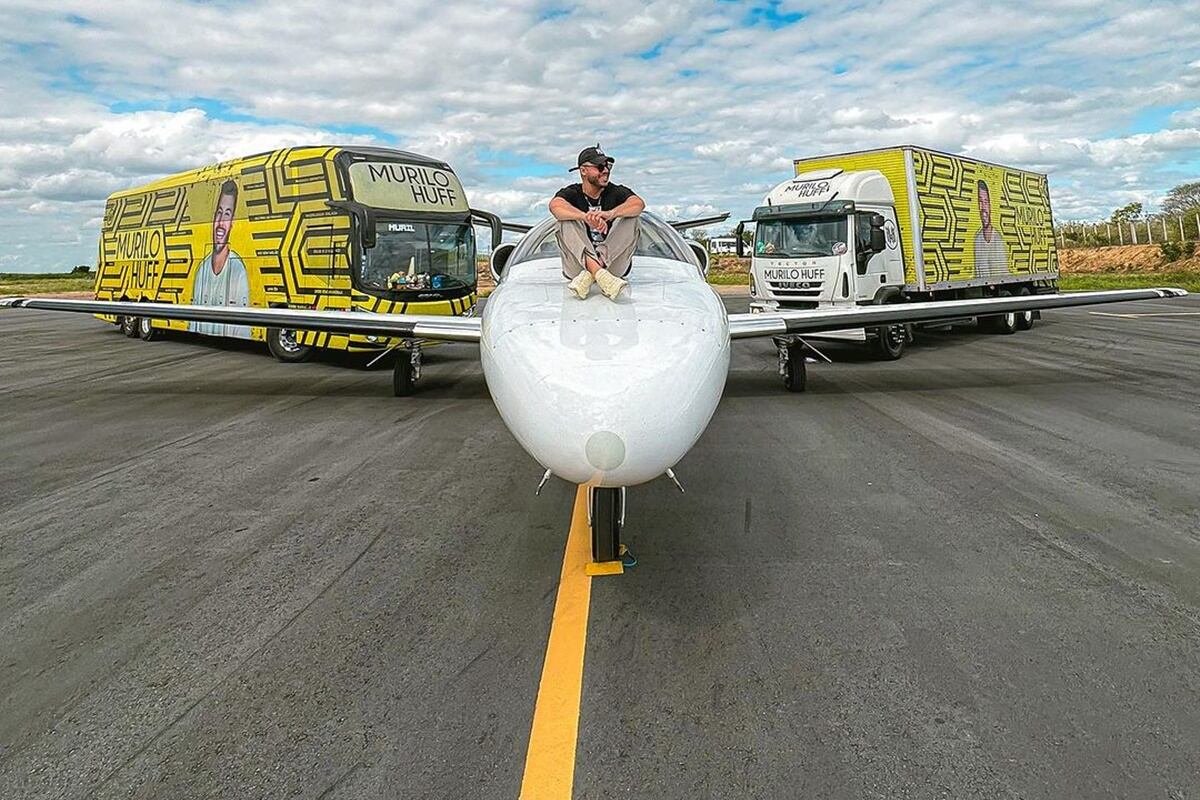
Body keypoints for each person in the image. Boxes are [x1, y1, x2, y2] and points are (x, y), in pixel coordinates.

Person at [549, 145, 645, 300]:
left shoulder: (616, 191)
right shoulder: (571, 193)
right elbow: (555, 206)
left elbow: (638, 204)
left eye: (608, 166)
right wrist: (585, 217)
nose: (606, 170)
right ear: (583, 170)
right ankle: (600, 275)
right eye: (600, 166)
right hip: (576, 267)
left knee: (632, 217)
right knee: (564, 220)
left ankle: (593, 273)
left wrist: (611, 213)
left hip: (613, 265)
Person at [190, 179, 251, 338]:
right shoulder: (201, 270)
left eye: (227, 214)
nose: (220, 222)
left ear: (232, 223)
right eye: (219, 213)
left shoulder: (239, 272)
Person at [973, 179, 1007, 279]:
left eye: (986, 202)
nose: (983, 207)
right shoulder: (977, 240)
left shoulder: (998, 240)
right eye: (980, 201)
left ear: (990, 206)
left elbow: (1004, 275)